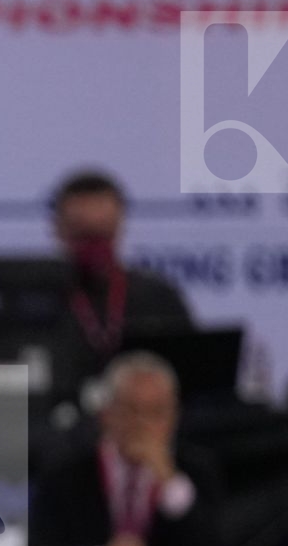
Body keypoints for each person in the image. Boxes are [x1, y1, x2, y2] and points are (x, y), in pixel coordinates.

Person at [30, 351, 224, 546]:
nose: (142, 424)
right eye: (131, 410)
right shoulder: (64, 473)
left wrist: (170, 481)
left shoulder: (198, 471)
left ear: (174, 416)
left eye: (156, 412)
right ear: (106, 413)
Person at [43, 170, 193, 400]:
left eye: (103, 233)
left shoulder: (158, 297)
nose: (94, 245)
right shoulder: (33, 302)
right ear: (59, 229)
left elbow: (191, 378)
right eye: (83, 234)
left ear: (120, 225)